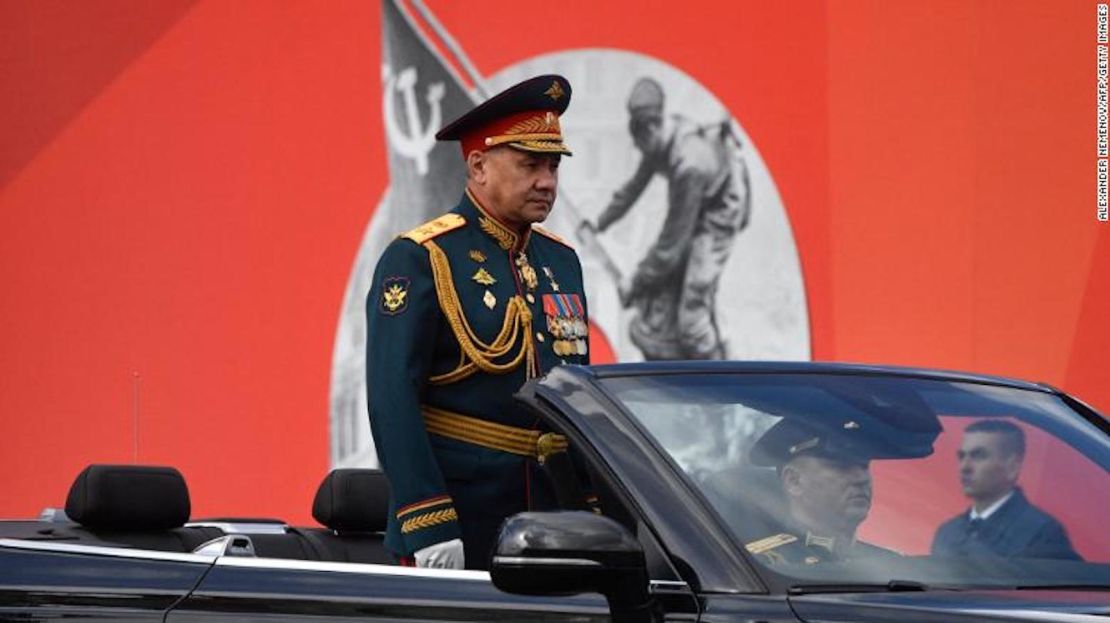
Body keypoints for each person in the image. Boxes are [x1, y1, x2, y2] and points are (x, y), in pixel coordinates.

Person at [365, 75, 591, 570]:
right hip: (465, 515)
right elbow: (391, 400)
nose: (547, 181)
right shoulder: (422, 257)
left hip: (554, 514)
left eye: (553, 166)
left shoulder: (561, 262)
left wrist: (594, 510)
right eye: (530, 164)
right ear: (478, 166)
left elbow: (577, 401)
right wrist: (428, 520)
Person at [586, 76, 750, 360]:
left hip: (720, 211)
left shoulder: (688, 165)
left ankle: (723, 386)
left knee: (692, 319)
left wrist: (636, 282)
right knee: (669, 293)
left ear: (651, 128)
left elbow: (671, 244)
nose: (643, 156)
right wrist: (599, 222)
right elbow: (633, 187)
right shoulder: (660, 134)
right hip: (699, 200)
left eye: (642, 145)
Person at [743, 417, 904, 565]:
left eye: (864, 465)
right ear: (794, 481)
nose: (861, 478)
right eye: (842, 466)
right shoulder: (762, 565)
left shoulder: (891, 566)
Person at [931, 420, 1080, 560]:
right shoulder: (948, 532)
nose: (965, 467)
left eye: (979, 456)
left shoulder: (1042, 533)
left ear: (1012, 466)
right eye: (962, 456)